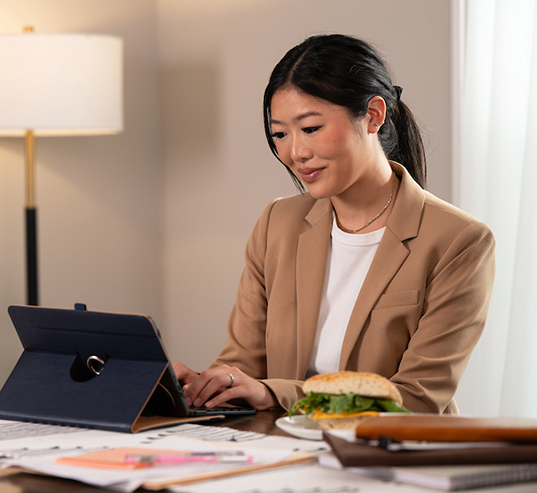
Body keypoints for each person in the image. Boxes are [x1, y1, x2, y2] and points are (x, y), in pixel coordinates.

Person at [173, 34, 495, 414]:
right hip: (277, 447)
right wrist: (209, 385)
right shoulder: (278, 223)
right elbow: (244, 364)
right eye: (280, 134)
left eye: (310, 129)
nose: (295, 152)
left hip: (387, 456)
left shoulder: (459, 241)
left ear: (374, 115)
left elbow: (415, 399)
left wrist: (275, 394)